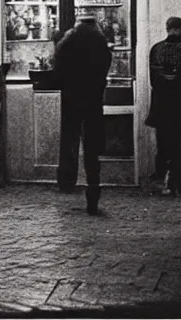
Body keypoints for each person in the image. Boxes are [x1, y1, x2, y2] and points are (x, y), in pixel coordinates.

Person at [53, 16, 112, 215]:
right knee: (92, 146)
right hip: (93, 98)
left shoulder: (68, 40)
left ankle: (66, 180)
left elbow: (57, 66)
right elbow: (105, 66)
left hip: (71, 97)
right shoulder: (99, 40)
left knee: (69, 139)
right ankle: (93, 185)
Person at [145, 16, 181, 197]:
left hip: (162, 104)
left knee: (163, 144)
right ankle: (179, 182)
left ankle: (162, 181)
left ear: (166, 28)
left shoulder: (157, 49)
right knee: (178, 143)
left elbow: (153, 80)